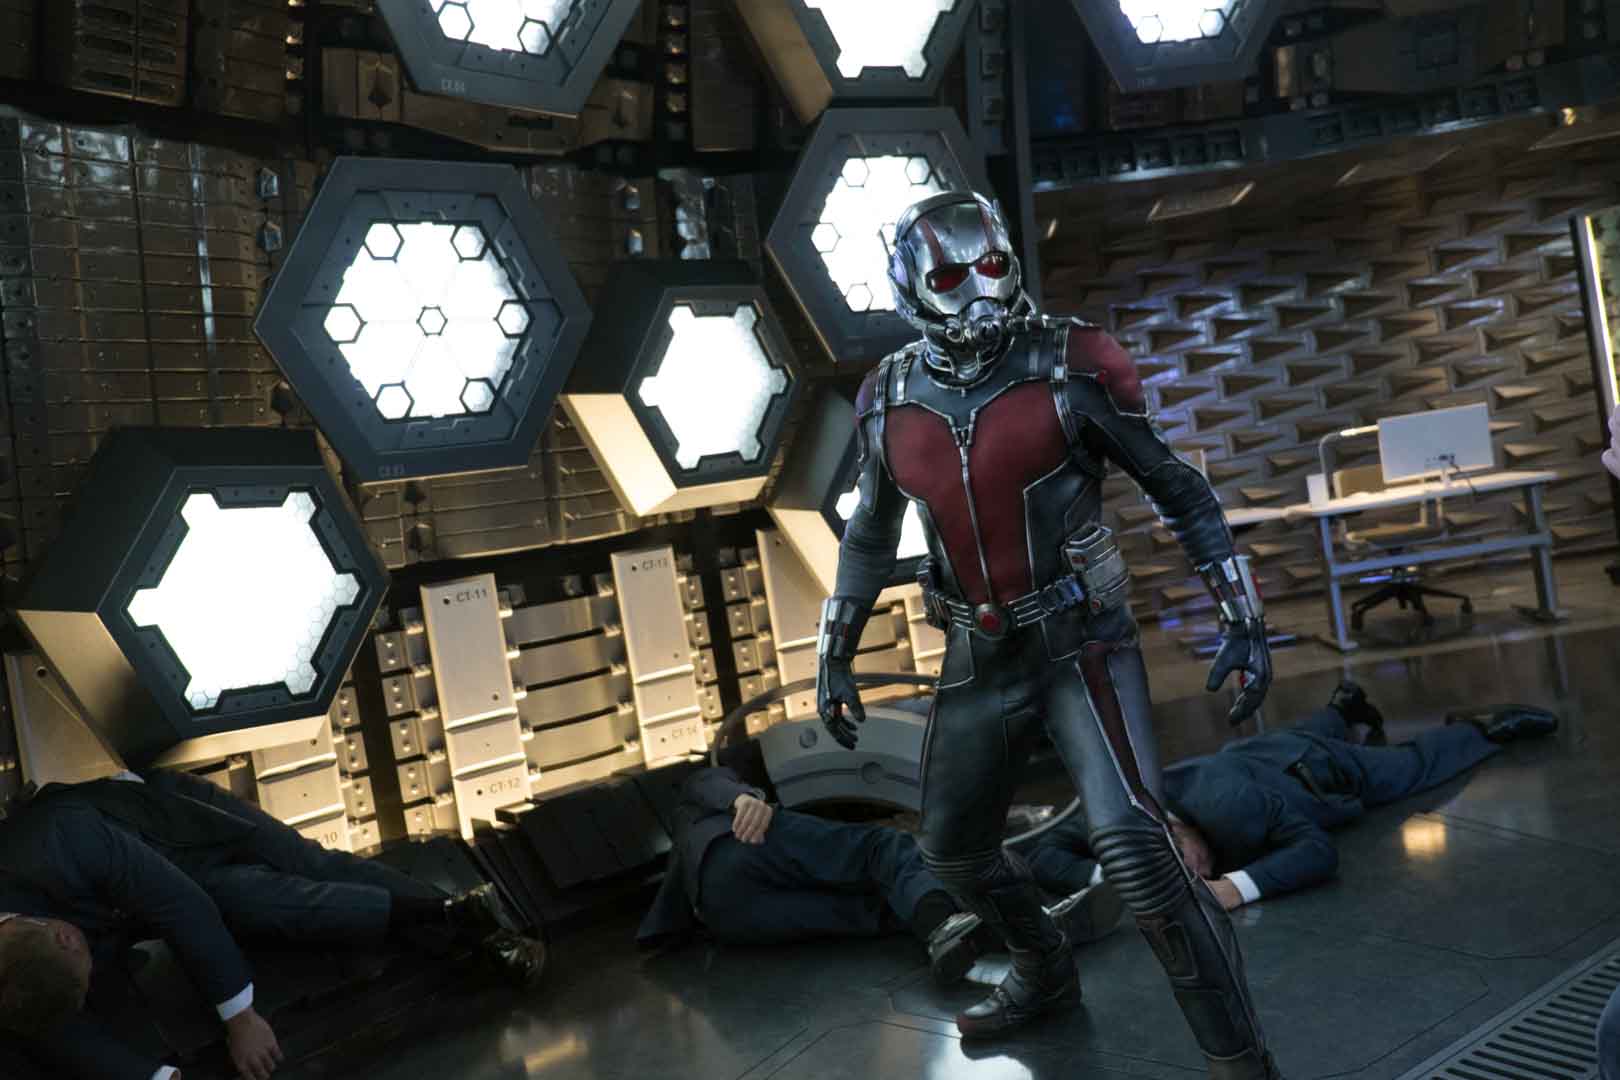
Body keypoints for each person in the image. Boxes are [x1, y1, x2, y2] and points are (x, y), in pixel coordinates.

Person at [816, 189, 1280, 1077]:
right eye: (951, 276)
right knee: (951, 851)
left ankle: (1242, 1063)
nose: (980, 289)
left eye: (992, 265)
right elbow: (870, 533)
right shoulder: (888, 397)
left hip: (1082, 645)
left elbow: (1178, 489)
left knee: (1138, 854)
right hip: (978, 654)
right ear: (911, 288)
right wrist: (836, 646)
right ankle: (1044, 969)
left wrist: (1242, 614)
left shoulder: (1073, 363)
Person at [0, 767, 545, 1080]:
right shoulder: (21, 969)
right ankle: (447, 919)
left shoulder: (57, 840)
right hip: (150, 893)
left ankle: (471, 922)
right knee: (264, 900)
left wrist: (241, 1019)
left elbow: (180, 904)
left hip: (179, 823)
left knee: (310, 865)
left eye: (85, 966)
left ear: (62, 933)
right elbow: (51, 1031)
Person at [636, 759, 1124, 988]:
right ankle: (974, 922)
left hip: (727, 922)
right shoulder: (708, 804)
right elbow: (702, 779)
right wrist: (742, 797)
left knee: (882, 910)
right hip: (731, 849)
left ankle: (1026, 928)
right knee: (880, 849)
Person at [1162, 682, 1558, 908]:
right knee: (1292, 737)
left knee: (1409, 767)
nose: (1197, 877)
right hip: (1258, 755)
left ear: (1176, 833)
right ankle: (1342, 707)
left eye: (1188, 866)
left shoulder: (1234, 806)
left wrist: (1236, 888)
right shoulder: (1148, 803)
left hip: (1315, 770)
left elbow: (1316, 850)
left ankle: (1483, 727)